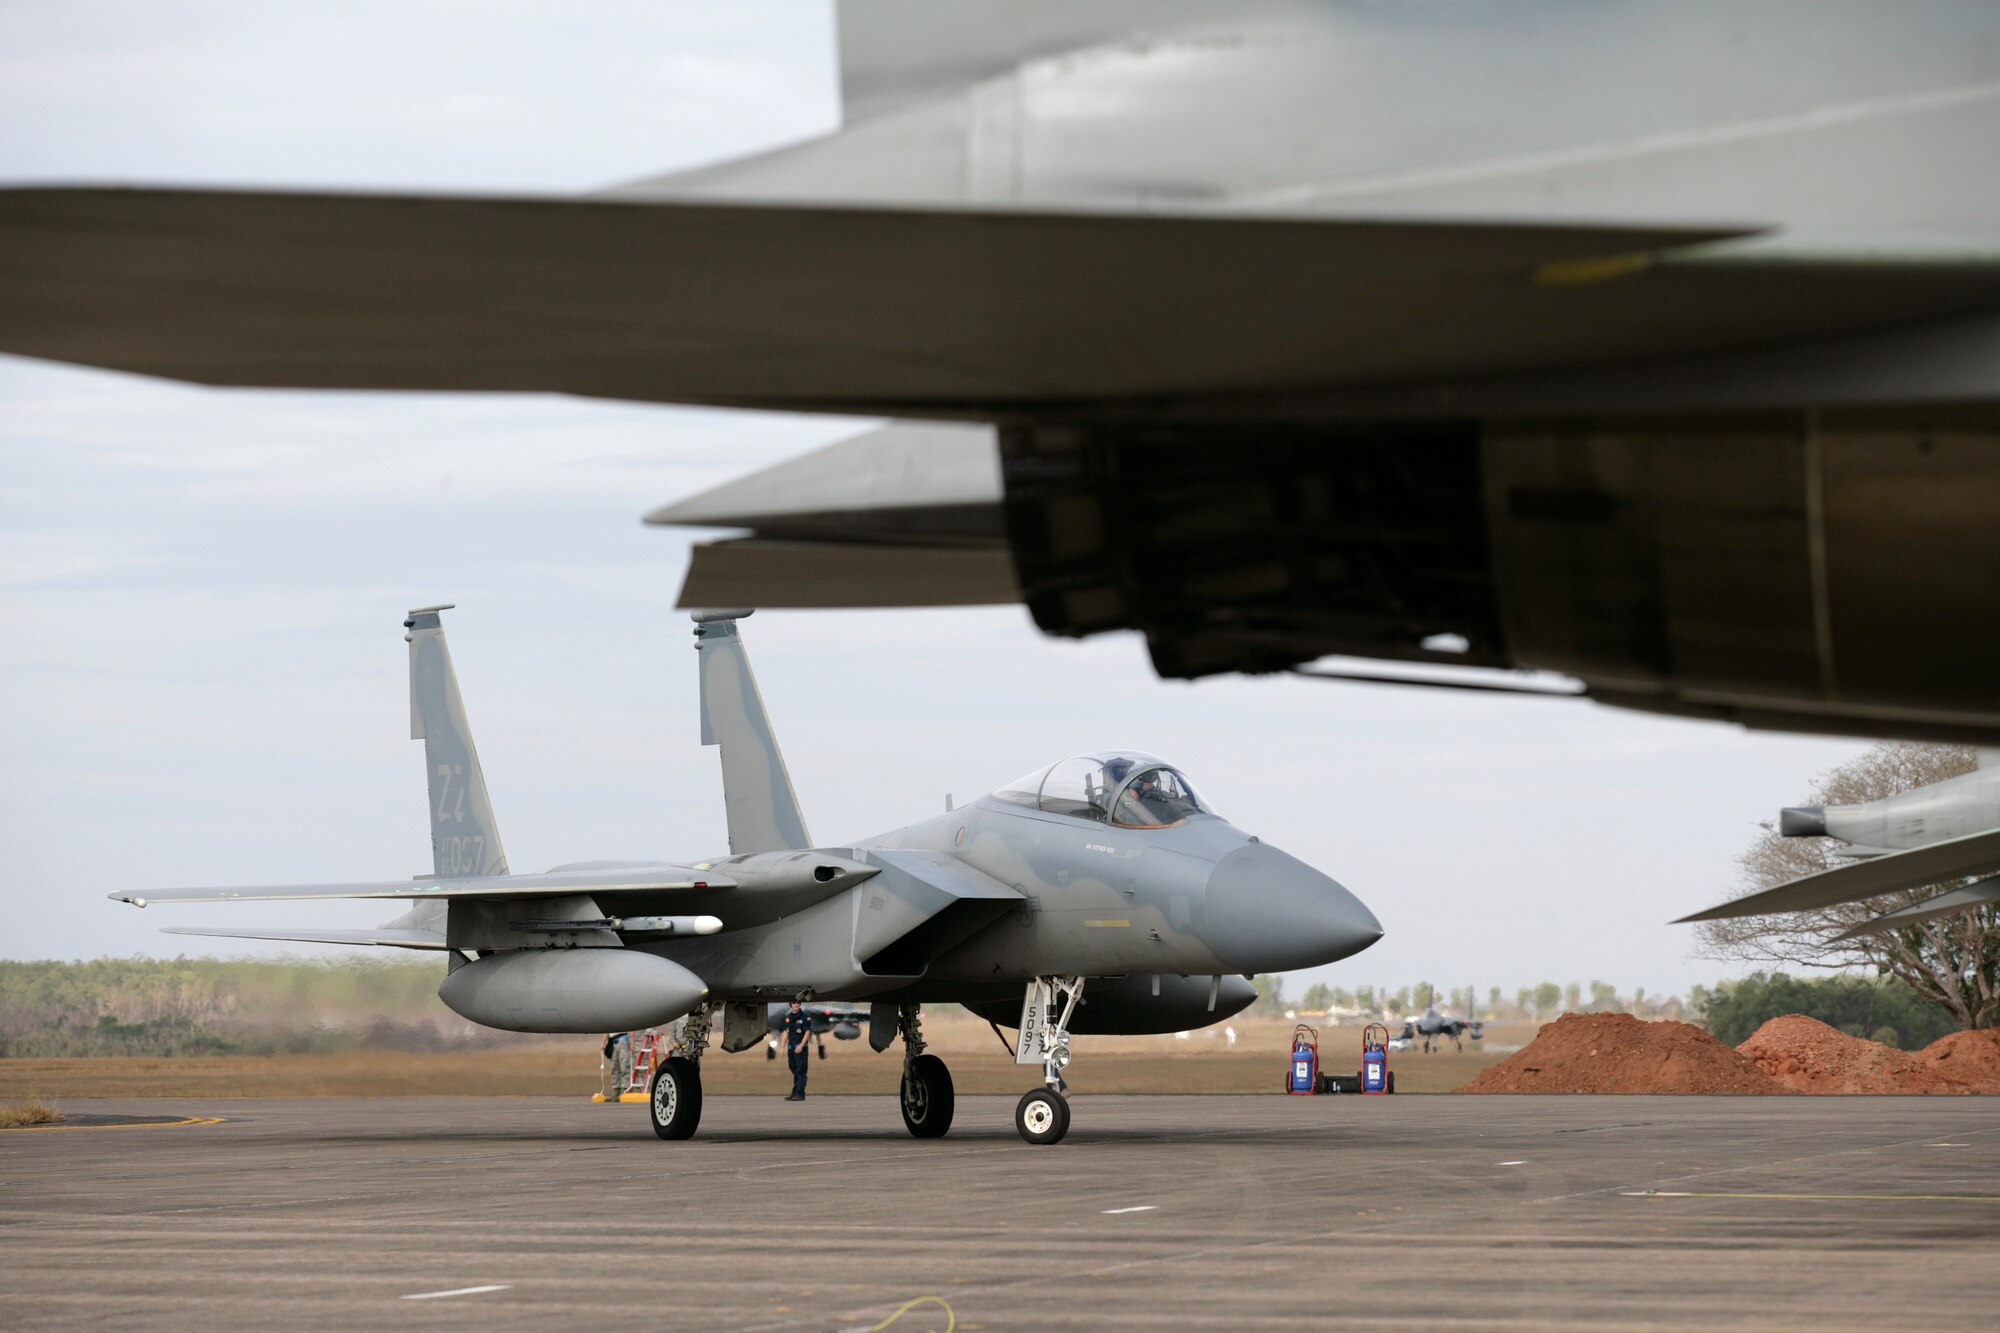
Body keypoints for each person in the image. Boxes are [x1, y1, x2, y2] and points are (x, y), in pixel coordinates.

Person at [782, 999, 812, 1101]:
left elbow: (807, 1032)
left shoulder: (805, 1017)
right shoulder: (788, 1017)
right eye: (794, 1003)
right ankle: (795, 1093)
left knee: (801, 1071)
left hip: (801, 1047)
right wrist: (782, 1047)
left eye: (798, 1003)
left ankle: (799, 1094)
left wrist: (801, 1045)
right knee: (793, 1069)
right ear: (790, 1005)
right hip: (791, 1047)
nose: (796, 1005)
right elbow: (786, 1032)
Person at [603, 1031, 632, 1098]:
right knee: (614, 1067)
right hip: (613, 1041)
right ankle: (616, 1091)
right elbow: (606, 1031)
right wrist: (603, 1042)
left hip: (623, 1040)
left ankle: (624, 1090)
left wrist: (632, 1042)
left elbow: (631, 1030)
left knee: (624, 1066)